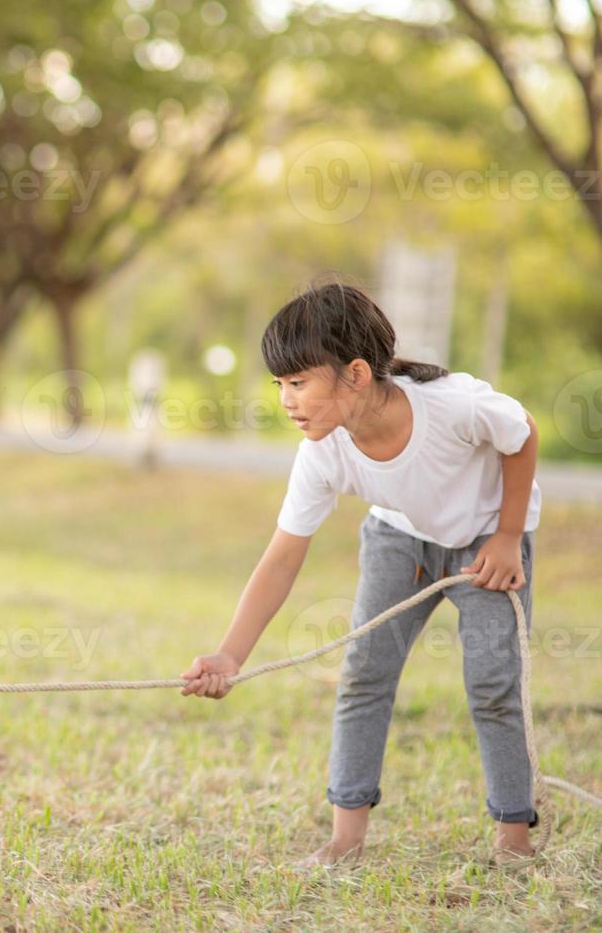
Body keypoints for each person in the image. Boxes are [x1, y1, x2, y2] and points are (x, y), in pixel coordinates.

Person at [180, 278, 542, 868]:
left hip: (486, 539)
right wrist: (229, 656)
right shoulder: (322, 451)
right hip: (398, 538)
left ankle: (514, 840)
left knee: (492, 684)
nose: (287, 401)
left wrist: (506, 536)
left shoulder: (452, 405)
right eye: (280, 385)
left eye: (298, 383)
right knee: (363, 675)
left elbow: (521, 432)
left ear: (354, 373)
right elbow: (281, 557)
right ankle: (345, 840)